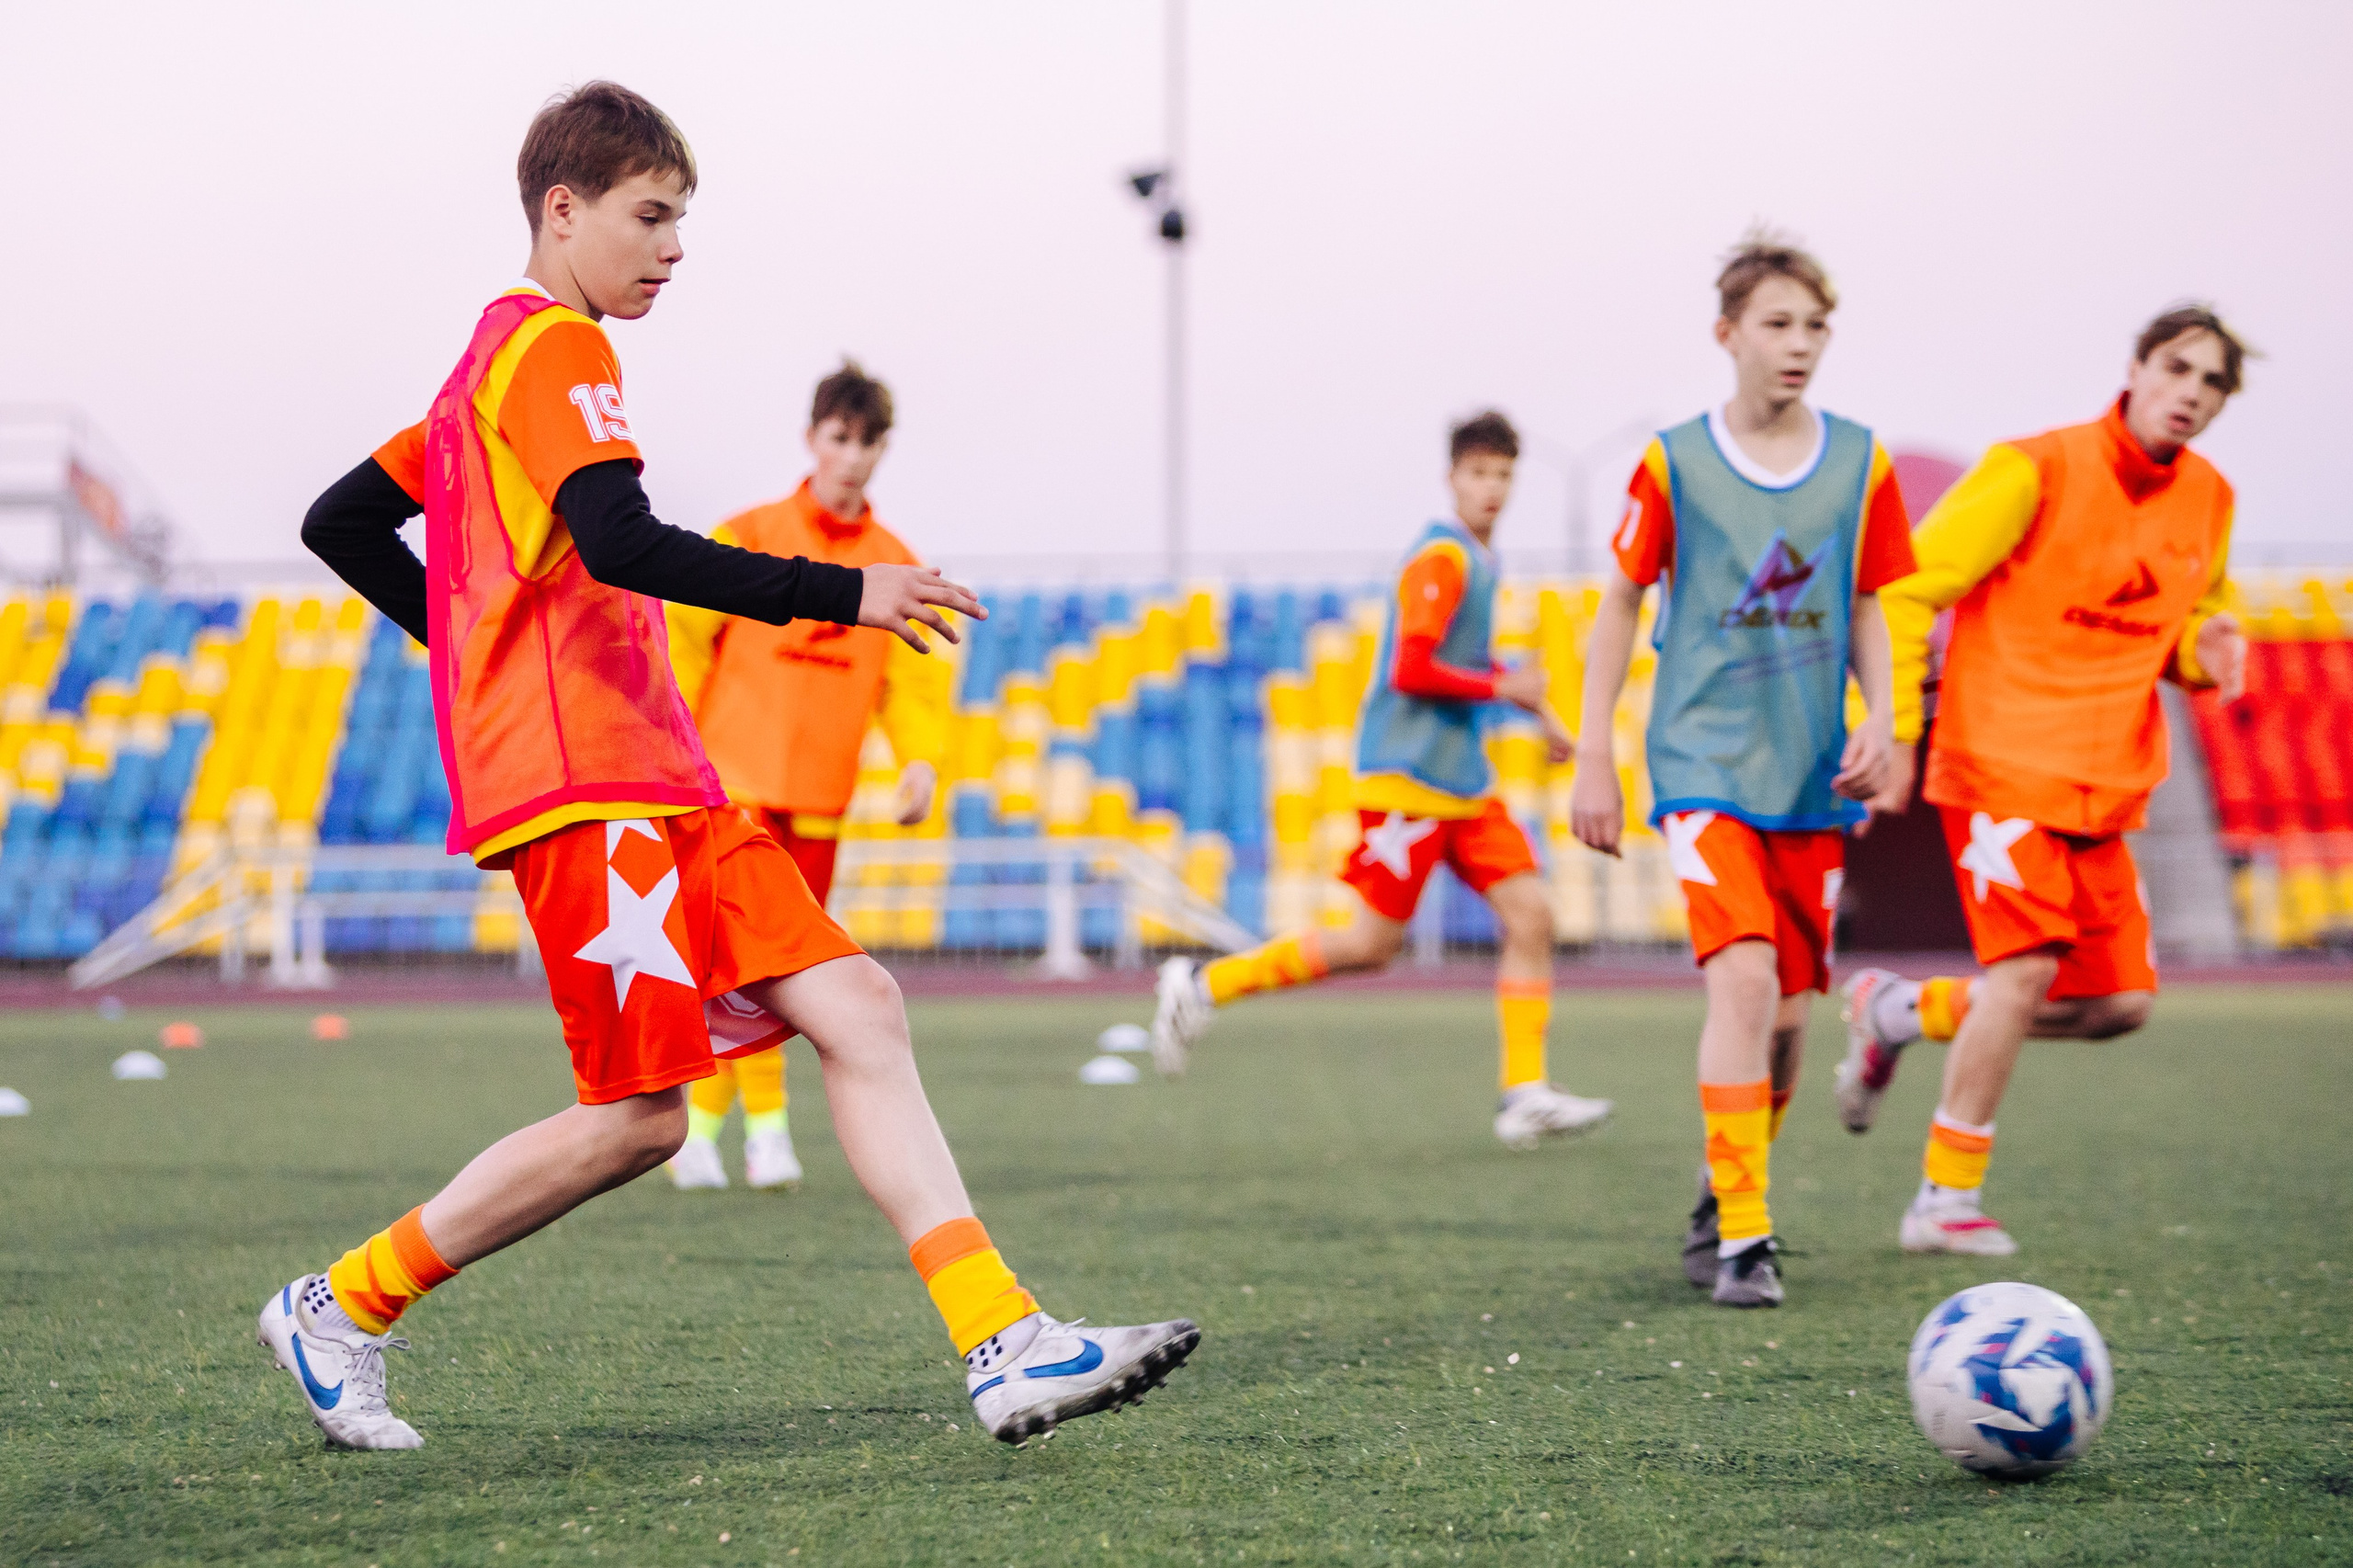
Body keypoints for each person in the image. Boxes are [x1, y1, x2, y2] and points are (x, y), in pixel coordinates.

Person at [268, 81, 1197, 1450]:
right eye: (651, 217)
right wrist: (849, 592)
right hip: (596, 788)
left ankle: (1005, 1339)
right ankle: (339, 1303)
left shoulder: (474, 380)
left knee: (864, 1007)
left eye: (681, 220)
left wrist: (471, 650)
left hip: (659, 778)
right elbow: (623, 542)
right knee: (640, 1121)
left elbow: (340, 518)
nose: (673, 248)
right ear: (562, 209)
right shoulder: (555, 352)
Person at [1834, 304, 2249, 1256]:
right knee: (2019, 972)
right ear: (2137, 367)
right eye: (2176, 368)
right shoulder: (2033, 466)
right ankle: (1942, 1198)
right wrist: (1894, 731)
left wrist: (2203, 648)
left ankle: (1895, 1008)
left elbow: (2175, 628)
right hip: (2000, 765)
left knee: (2118, 1006)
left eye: (2211, 381)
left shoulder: (2212, 501)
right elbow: (1904, 589)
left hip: (2104, 789)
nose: (2190, 392)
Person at [1571, 233, 1915, 1307]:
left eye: (1815, 326)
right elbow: (1622, 600)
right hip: (1701, 763)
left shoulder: (1862, 461)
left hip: (1811, 775)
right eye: (1777, 323)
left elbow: (1867, 599)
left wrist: (1887, 720)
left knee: (1785, 1023)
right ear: (1727, 334)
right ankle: (1747, 1241)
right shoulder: (1672, 461)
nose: (1799, 344)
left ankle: (1725, 1189)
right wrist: (1595, 753)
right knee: (1744, 978)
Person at [1150, 411, 1613, 1149]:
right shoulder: (1442, 558)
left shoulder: (1482, 561)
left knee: (1532, 917)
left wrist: (1543, 717)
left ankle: (1524, 1091)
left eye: (1503, 476)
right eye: (1479, 473)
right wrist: (1508, 693)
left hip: (1462, 785)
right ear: (1451, 478)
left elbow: (1468, 669)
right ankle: (1203, 985)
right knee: (1369, 945)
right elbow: (1412, 669)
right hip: (1406, 785)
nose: (1491, 488)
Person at [662, 359, 949, 1192]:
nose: (852, 458)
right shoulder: (748, 534)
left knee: (790, 975)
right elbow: (682, 640)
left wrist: (922, 761)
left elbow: (916, 684)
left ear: (882, 450)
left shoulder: (896, 563)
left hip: (822, 797)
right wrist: (678, 746)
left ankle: (748, 1134)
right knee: (723, 964)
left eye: (867, 443)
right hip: (731, 787)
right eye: (839, 438)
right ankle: (739, 1132)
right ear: (812, 438)